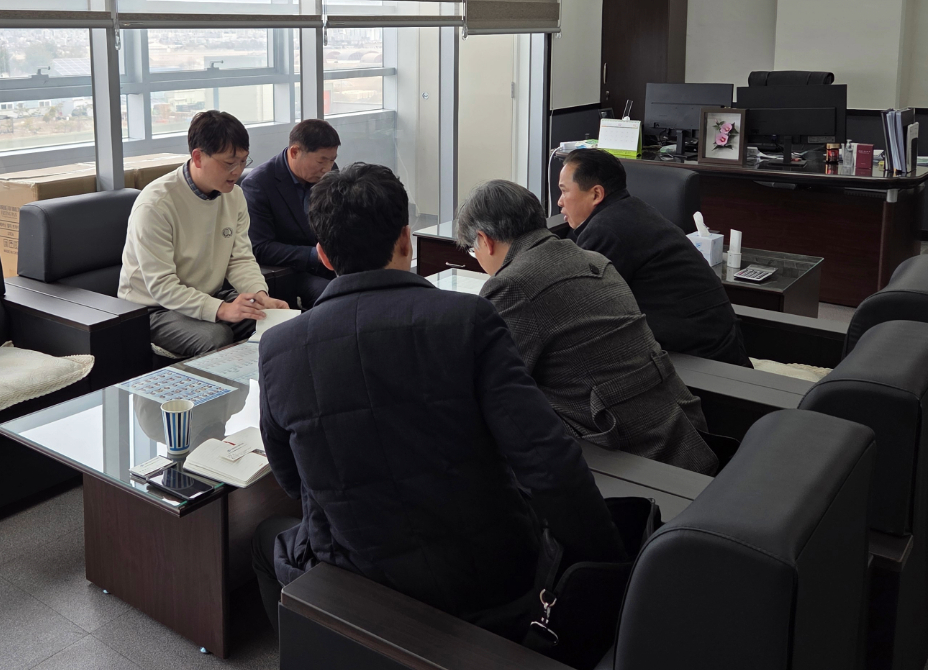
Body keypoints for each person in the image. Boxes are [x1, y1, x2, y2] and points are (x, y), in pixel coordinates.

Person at [253, 163, 627, 646]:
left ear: (323, 255)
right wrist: (609, 563)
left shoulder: (279, 348)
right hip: (491, 577)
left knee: (268, 540)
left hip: (359, 573)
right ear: (405, 240)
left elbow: (292, 479)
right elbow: (546, 459)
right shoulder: (469, 319)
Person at [455, 180, 717, 475]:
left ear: (485, 240)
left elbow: (484, 386)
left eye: (472, 250)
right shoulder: (595, 260)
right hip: (682, 433)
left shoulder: (512, 285)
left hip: (626, 455)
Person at [557, 148, 752, 367]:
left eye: (564, 191)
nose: (559, 202)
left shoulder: (606, 230)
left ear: (596, 194)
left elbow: (578, 309)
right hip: (716, 343)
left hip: (700, 361)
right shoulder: (632, 210)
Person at [118, 110, 288, 358]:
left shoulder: (234, 196)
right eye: (229, 163)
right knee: (216, 337)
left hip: (208, 295)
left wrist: (261, 296)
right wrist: (221, 309)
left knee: (276, 321)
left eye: (243, 161)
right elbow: (162, 286)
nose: (237, 171)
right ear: (198, 157)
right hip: (154, 308)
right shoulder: (156, 205)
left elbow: (240, 259)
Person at [243, 119, 340, 308]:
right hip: (292, 271)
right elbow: (260, 248)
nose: (328, 168)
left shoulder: (328, 172)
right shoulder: (259, 184)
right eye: (321, 161)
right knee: (333, 297)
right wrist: (315, 254)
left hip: (333, 263)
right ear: (294, 152)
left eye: (332, 160)